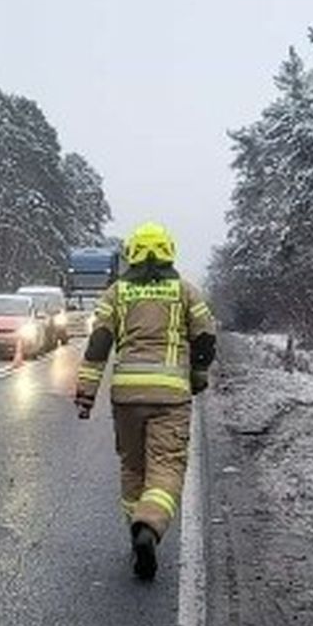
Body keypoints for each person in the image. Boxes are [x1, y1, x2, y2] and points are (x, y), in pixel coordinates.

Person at [74, 223, 217, 580]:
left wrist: (85, 395)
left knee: (133, 468)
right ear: (168, 252)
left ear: (131, 255)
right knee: (166, 467)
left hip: (127, 397)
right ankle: (149, 527)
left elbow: (98, 347)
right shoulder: (186, 292)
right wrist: (198, 378)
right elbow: (204, 340)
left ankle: (135, 530)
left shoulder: (116, 294)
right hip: (170, 397)